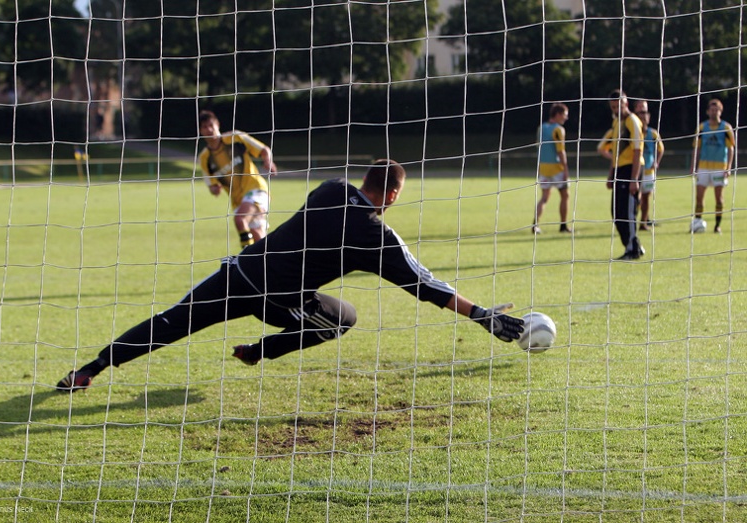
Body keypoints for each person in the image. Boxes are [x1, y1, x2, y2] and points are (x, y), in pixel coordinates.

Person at [56, 160, 525, 392]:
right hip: (279, 298)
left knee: (172, 321)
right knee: (342, 319)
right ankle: (259, 352)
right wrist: (483, 316)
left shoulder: (330, 188)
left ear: (364, 180)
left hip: (240, 271)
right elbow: (425, 285)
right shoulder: (375, 235)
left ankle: (88, 370)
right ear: (395, 193)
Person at [197, 110, 277, 248]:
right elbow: (212, 186)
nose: (209, 129)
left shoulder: (235, 138)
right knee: (260, 243)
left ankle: (245, 259)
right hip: (238, 201)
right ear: (200, 131)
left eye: (211, 125)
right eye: (204, 127)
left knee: (240, 220)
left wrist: (268, 161)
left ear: (218, 124)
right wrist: (215, 189)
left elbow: (264, 149)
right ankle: (268, 265)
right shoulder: (204, 158)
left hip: (256, 189)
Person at [602, 89, 644, 261]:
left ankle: (632, 249)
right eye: (612, 107)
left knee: (627, 212)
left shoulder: (632, 121)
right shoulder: (616, 123)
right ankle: (633, 245)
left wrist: (634, 178)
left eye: (618, 105)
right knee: (616, 212)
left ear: (625, 103)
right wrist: (611, 174)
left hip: (631, 169)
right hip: (620, 169)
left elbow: (637, 150)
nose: (615, 109)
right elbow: (615, 151)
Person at [691, 98, 735, 234]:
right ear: (707, 111)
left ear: (720, 112)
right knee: (699, 197)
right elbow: (697, 148)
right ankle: (697, 222)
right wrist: (694, 166)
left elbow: (731, 148)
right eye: (712, 110)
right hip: (704, 166)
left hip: (719, 167)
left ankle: (717, 225)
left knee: (719, 198)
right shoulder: (702, 127)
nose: (714, 112)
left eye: (717, 110)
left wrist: (728, 167)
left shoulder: (726, 128)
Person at [534, 103, 572, 234]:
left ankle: (535, 224)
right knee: (565, 195)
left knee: (544, 197)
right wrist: (565, 169)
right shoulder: (558, 129)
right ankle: (563, 225)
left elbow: (538, 146)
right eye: (565, 115)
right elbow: (561, 151)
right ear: (558, 114)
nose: (566, 118)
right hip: (556, 168)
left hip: (543, 167)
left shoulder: (541, 128)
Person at [632, 100, 664, 231]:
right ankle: (632, 222)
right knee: (635, 198)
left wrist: (656, 162)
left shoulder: (653, 134)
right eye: (640, 114)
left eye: (645, 114)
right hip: (635, 169)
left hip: (648, 171)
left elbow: (661, 149)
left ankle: (643, 223)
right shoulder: (632, 132)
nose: (643, 117)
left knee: (646, 197)